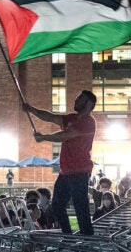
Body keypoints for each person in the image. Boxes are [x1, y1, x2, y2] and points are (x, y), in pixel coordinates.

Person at [23, 90, 98, 236]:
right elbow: (50, 117)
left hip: (79, 172)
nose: (75, 101)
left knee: (80, 209)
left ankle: (87, 240)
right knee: (57, 206)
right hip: (65, 172)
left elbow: (68, 135)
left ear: (89, 103)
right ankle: (68, 235)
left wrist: (44, 137)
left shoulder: (88, 123)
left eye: (79, 98)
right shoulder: (71, 118)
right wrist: (31, 109)